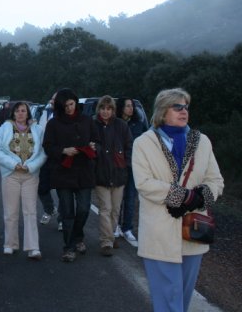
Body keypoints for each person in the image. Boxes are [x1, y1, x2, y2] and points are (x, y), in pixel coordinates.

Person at [132, 88, 224, 312]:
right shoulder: (144, 143)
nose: (184, 111)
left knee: (182, 296)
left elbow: (216, 180)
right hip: (159, 232)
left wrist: (199, 197)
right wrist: (183, 196)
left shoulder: (202, 141)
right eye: (177, 107)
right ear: (163, 112)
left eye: (186, 107)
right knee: (169, 298)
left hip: (193, 230)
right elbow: (143, 183)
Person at [43, 88, 99, 263]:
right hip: (63, 173)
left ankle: (78, 236)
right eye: (65, 106)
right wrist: (63, 150)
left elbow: (97, 140)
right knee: (67, 212)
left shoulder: (87, 120)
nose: (69, 108)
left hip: (84, 171)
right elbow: (47, 146)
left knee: (83, 209)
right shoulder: (53, 124)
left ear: (76, 102)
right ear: (60, 107)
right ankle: (69, 248)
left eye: (71, 104)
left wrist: (93, 145)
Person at [0, 102, 46, 259]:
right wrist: (13, 164)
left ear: (28, 113)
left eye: (23, 110)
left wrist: (31, 166)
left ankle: (33, 247)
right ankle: (10, 244)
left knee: (30, 211)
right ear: (13, 113)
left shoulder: (38, 129)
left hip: (30, 174)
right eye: (17, 111)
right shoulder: (4, 128)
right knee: (10, 211)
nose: (20, 113)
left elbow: (43, 152)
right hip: (11, 174)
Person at [93, 95, 133, 257]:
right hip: (100, 173)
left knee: (115, 210)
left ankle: (110, 235)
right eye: (103, 108)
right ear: (98, 109)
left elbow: (129, 146)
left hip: (119, 173)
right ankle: (106, 242)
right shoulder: (93, 125)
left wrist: (126, 164)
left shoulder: (121, 125)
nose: (105, 111)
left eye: (109, 108)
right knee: (105, 209)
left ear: (113, 110)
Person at [115, 96, 149, 243]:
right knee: (117, 197)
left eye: (132, 106)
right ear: (121, 107)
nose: (131, 108)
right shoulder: (115, 123)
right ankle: (115, 225)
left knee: (130, 197)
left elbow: (147, 142)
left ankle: (127, 228)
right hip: (117, 166)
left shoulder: (139, 124)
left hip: (134, 165)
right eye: (127, 105)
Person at [37, 92, 61, 230]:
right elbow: (40, 133)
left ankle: (62, 218)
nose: (52, 101)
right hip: (45, 156)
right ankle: (49, 209)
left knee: (62, 189)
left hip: (61, 157)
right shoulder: (45, 113)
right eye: (51, 99)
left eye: (55, 99)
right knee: (41, 187)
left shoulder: (66, 116)